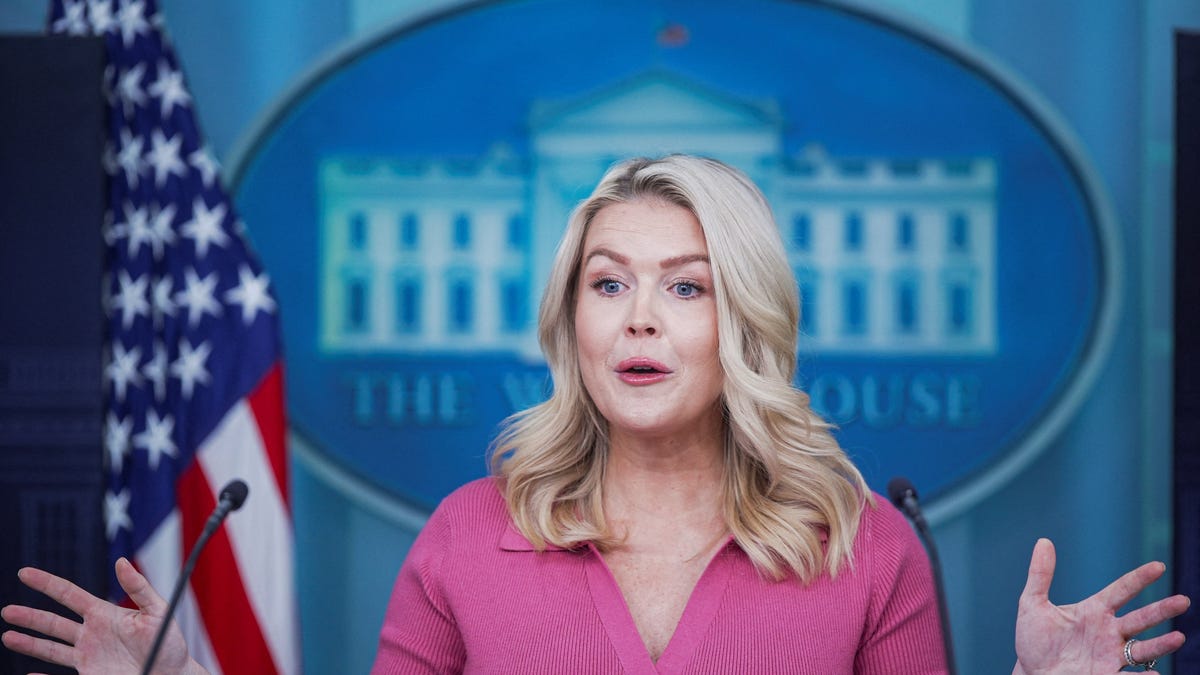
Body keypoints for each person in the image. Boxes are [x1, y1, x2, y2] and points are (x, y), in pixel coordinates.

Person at [2, 156, 1190, 673]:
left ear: (749, 323)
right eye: (608, 283)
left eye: (687, 287)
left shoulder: (868, 546)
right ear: (571, 321)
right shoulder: (467, 537)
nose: (639, 319)